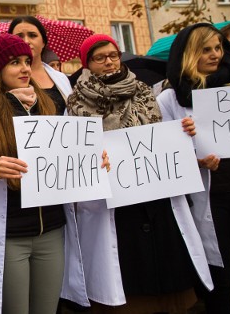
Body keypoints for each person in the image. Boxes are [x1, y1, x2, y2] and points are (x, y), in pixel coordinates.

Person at [67, 33, 213, 313]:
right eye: (100, 58)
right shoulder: (75, 103)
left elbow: (168, 135)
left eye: (113, 55)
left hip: (156, 194)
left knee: (166, 276)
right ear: (88, 64)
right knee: (130, 277)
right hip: (115, 203)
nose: (109, 62)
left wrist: (186, 132)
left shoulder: (145, 91)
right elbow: (76, 151)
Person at [0, 31, 89, 314]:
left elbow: (68, 162)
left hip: (52, 231)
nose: (25, 68)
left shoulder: (49, 107)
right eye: (15, 62)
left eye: (27, 61)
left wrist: (91, 160)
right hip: (8, 236)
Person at [157, 23, 230, 314]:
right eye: (206, 49)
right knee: (219, 278)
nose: (215, 55)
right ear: (190, 53)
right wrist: (194, 155)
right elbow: (163, 153)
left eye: (218, 47)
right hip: (209, 196)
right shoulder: (169, 98)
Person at [8, 16, 72, 115]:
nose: (26, 41)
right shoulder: (4, 78)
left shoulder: (61, 78)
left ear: (43, 42)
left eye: (32, 35)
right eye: (19, 36)